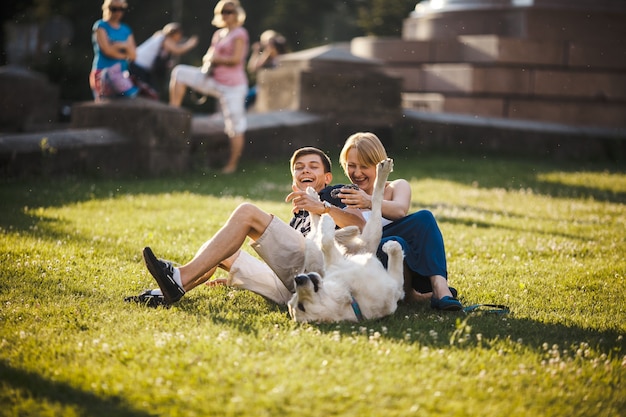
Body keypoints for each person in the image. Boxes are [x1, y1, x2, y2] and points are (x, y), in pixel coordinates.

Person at [130, 147, 365, 306]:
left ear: (327, 177)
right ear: (294, 179)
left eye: (313, 166)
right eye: (299, 167)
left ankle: (178, 277)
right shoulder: (298, 211)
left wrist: (322, 207)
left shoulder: (338, 192)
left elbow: (359, 226)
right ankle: (165, 294)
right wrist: (241, 275)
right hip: (291, 287)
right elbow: (287, 261)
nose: (305, 170)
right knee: (220, 251)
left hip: (323, 272)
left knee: (247, 213)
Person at [336, 132, 463, 311]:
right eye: (351, 166)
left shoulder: (397, 186)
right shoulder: (345, 198)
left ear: (379, 165)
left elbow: (400, 211)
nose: (357, 173)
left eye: (364, 166)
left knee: (424, 218)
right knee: (394, 243)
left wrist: (369, 202)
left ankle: (440, 289)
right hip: (371, 259)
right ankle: (412, 296)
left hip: (403, 261)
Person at [168, 0, 249, 174]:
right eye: (223, 12)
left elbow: (236, 59)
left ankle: (231, 165)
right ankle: (173, 112)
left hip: (233, 86)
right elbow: (209, 55)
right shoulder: (219, 34)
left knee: (235, 126)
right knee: (179, 72)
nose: (227, 15)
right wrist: (208, 60)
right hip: (213, 79)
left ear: (237, 14)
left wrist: (215, 59)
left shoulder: (240, 33)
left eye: (230, 11)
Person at [130, 23, 198, 96]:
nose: (179, 38)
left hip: (142, 68)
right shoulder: (164, 39)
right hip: (138, 67)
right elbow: (178, 50)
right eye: (179, 35)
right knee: (147, 92)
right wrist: (190, 44)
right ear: (174, 34)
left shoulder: (161, 39)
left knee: (151, 91)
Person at [89, 0, 139, 101]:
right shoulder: (100, 25)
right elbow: (107, 51)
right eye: (114, 9)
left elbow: (133, 55)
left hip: (121, 74)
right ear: (106, 8)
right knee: (104, 105)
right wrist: (125, 51)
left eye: (121, 9)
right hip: (102, 72)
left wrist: (118, 45)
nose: (117, 12)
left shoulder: (126, 29)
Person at [245, 30, 288, 108]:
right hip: (264, 85)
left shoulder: (282, 54)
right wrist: (257, 52)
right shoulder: (266, 55)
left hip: (279, 85)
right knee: (247, 98)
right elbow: (253, 68)